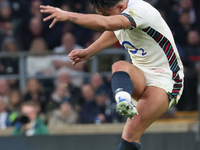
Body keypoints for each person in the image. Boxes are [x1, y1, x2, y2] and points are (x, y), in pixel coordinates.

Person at [40, 0, 184, 150]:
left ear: (121, 7)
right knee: (119, 65)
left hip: (166, 79)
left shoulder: (140, 11)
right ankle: (123, 101)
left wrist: (68, 15)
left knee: (130, 133)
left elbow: (107, 24)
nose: (106, 18)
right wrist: (88, 52)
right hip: (141, 73)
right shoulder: (122, 12)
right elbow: (114, 32)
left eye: (107, 14)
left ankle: (124, 101)